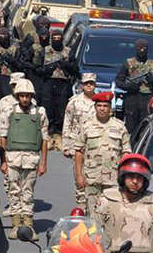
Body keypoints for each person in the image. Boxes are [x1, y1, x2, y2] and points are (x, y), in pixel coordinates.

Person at [0, 79, 48, 240]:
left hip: (32, 159)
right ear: (18, 96)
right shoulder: (10, 112)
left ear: (31, 96)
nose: (25, 99)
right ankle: (16, 225)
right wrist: (3, 161)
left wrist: (44, 163)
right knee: (14, 192)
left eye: (28, 96)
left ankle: (28, 225)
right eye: (22, 96)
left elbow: (44, 139)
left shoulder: (40, 112)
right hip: (12, 158)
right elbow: (3, 137)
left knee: (28, 192)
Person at [93, 154, 153, 253]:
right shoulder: (106, 200)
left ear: (145, 180)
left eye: (139, 177)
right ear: (123, 177)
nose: (135, 181)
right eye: (131, 176)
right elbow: (93, 235)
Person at [74, 91, 131, 215]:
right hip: (91, 177)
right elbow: (79, 152)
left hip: (113, 179)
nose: (102, 109)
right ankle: (94, 235)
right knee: (92, 213)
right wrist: (78, 175)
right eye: (99, 106)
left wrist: (124, 177)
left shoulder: (120, 126)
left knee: (112, 213)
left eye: (105, 106)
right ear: (95, 107)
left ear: (110, 108)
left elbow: (126, 152)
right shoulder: (86, 125)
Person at [0, 72, 29, 217]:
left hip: (24, 144)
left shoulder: (30, 102)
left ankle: (24, 205)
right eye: (14, 85)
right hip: (8, 144)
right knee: (9, 177)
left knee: (25, 178)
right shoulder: (4, 102)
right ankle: (12, 203)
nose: (17, 88)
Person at [63, 73, 97, 207]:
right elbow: (68, 123)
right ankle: (81, 209)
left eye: (92, 83)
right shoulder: (74, 102)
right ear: (82, 85)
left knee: (94, 181)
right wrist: (66, 146)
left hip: (95, 145)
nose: (89, 85)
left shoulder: (100, 102)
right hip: (78, 146)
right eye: (87, 83)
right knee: (80, 180)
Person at [116, 39, 153, 136]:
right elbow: (118, 81)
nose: (142, 50)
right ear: (136, 49)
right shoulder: (128, 63)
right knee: (131, 129)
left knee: (145, 129)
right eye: (139, 48)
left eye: (144, 48)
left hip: (147, 100)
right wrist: (129, 86)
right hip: (132, 99)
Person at [41, 29, 76, 150]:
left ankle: (59, 136)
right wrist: (49, 68)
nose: (56, 40)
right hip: (49, 82)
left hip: (63, 83)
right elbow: (38, 68)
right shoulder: (45, 50)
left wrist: (66, 65)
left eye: (58, 38)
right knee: (48, 109)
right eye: (54, 38)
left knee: (61, 110)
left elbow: (75, 69)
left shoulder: (68, 51)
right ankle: (48, 137)